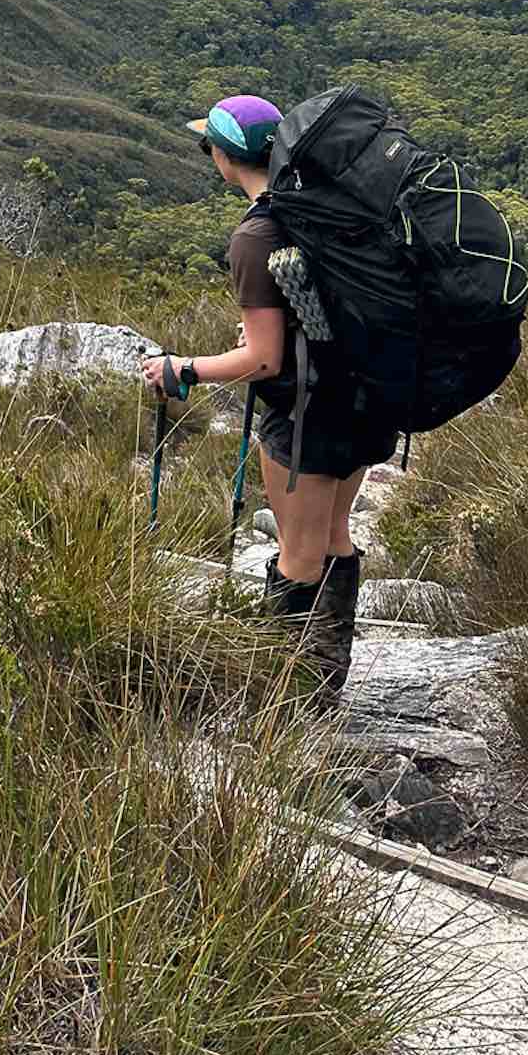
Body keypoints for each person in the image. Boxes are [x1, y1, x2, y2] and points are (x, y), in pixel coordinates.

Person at [140, 93, 397, 695]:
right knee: (333, 535)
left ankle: (286, 696)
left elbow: (263, 359)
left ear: (226, 157)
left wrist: (183, 369)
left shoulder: (257, 236)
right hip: (364, 400)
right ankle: (325, 682)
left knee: (299, 554)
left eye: (211, 145)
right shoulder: (324, 205)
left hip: (310, 415)